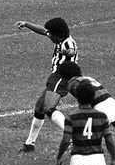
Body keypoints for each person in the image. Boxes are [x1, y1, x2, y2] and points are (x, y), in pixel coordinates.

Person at [16, 17, 77, 153]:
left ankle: (73, 135)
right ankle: (30, 144)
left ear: (58, 34)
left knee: (48, 108)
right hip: (55, 77)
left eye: (51, 34)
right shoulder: (58, 37)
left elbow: (72, 50)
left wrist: (67, 53)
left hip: (62, 77)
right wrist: (26, 24)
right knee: (39, 108)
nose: (49, 37)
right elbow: (43, 31)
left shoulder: (68, 42)